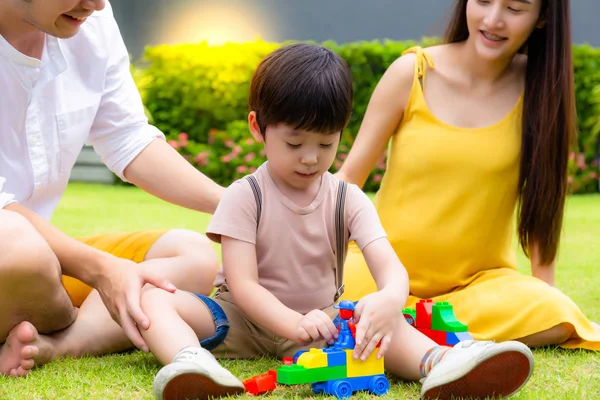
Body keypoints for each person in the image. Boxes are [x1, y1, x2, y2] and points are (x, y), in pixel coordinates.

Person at [137, 43, 535, 400]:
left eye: (326, 143)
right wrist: (292, 323)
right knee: (154, 297)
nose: (311, 158)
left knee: (380, 317)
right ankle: (191, 361)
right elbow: (243, 285)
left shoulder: (348, 198)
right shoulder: (247, 195)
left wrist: (388, 298)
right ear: (258, 127)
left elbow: (389, 266)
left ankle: (441, 361)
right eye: (294, 143)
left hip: (323, 326)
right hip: (239, 320)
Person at [337, 0, 600, 350]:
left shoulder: (540, 90)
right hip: (377, 275)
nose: (493, 20)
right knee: (329, 289)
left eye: (515, 9)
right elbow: (347, 180)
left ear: (542, 18)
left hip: (476, 288)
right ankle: (421, 332)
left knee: (555, 313)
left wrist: (546, 298)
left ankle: (402, 331)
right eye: (484, 1)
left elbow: (542, 204)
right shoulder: (412, 73)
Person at [0, 0, 225, 377]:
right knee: (19, 250)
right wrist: (104, 271)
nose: (98, 3)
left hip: (42, 261)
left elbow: (128, 139)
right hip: (15, 252)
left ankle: (57, 344)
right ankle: (63, 315)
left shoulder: (91, 24)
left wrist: (237, 205)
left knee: (192, 254)